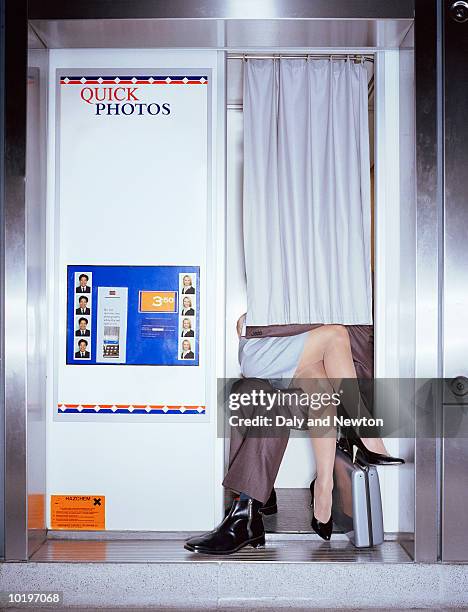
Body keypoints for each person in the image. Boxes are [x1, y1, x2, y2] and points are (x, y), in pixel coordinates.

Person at [184, 313, 404, 555]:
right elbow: (244, 326)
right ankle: (359, 441)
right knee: (254, 392)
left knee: (318, 392)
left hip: (306, 362)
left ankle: (260, 510)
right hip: (268, 359)